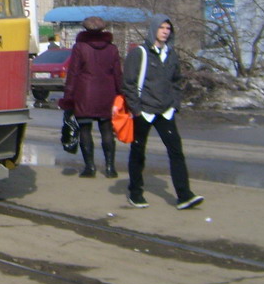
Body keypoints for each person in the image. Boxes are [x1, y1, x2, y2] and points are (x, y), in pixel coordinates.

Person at [122, 14, 204, 210]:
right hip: (144, 111)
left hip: (165, 111)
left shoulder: (171, 54)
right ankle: (136, 192)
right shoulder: (139, 53)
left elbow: (176, 81)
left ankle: (184, 195)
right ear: (153, 30)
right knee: (138, 152)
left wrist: (175, 104)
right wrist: (137, 109)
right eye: (162, 28)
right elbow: (128, 84)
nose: (166, 31)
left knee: (176, 152)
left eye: (168, 28)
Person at [58, 16, 123, 178]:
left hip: (84, 93)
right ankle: (110, 168)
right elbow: (118, 74)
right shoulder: (112, 49)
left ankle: (90, 168)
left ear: (85, 29)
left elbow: (73, 74)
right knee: (107, 129)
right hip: (107, 93)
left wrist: (68, 97)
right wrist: (121, 94)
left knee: (85, 130)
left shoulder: (80, 47)